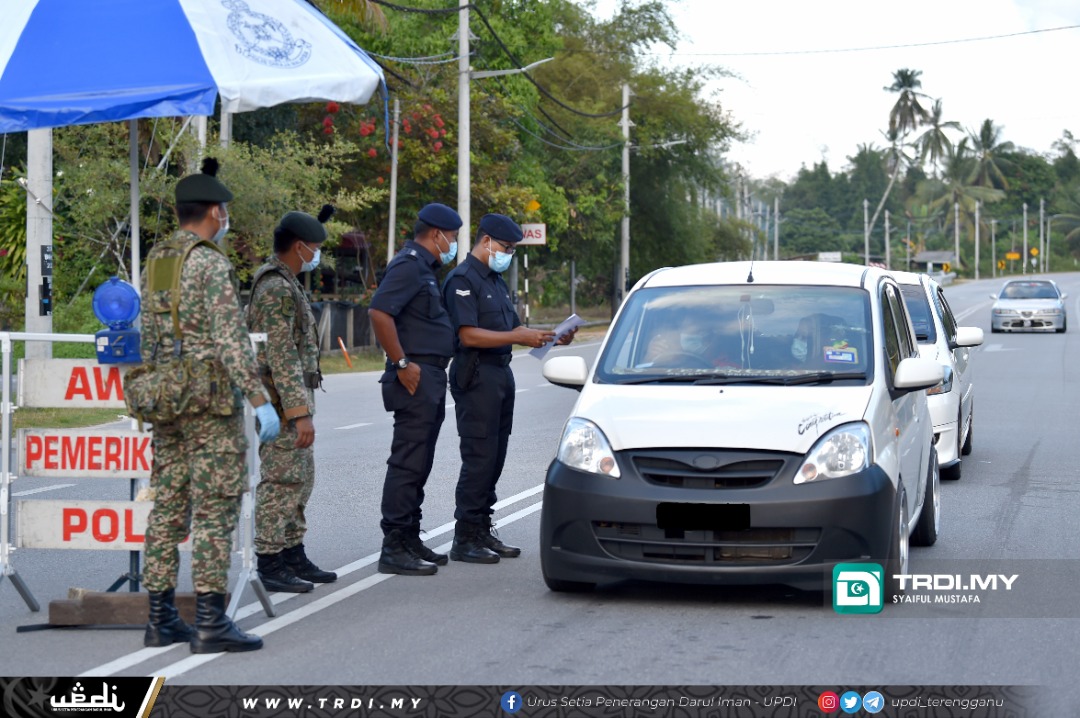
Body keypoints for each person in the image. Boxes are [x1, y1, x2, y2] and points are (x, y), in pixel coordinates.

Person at [139, 158, 280, 654]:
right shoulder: (210, 263)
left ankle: (159, 619)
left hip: (165, 399)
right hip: (208, 404)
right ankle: (210, 623)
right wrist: (260, 399)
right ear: (215, 212)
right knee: (216, 510)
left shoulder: (156, 258)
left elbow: (151, 337)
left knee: (168, 507)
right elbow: (231, 340)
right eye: (224, 212)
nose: (225, 220)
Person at [441, 214, 574, 563]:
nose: (508, 254)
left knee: (495, 458)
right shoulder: (463, 279)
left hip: (500, 374)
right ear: (486, 241)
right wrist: (517, 336)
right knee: (479, 457)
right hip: (476, 376)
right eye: (506, 247)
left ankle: (482, 529)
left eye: (513, 249)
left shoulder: (496, 281)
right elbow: (467, 334)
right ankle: (465, 536)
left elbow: (514, 329)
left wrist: (553, 337)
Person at [247, 205, 338, 594]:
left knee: (300, 481)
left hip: (293, 398)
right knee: (282, 481)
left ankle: (291, 551)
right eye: (314, 247)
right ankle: (269, 561)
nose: (316, 255)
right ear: (300, 247)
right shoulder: (274, 288)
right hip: (282, 403)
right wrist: (299, 414)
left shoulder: (289, 282)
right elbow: (281, 356)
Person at [369, 202, 462, 576]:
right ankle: (393, 545)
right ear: (436, 234)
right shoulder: (408, 265)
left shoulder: (423, 268)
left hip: (430, 378)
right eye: (452, 238)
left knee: (419, 462)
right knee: (408, 462)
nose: (453, 244)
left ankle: (408, 535)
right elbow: (379, 312)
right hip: (415, 377)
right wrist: (403, 363)